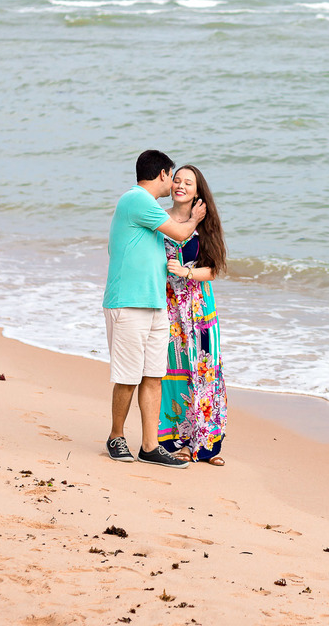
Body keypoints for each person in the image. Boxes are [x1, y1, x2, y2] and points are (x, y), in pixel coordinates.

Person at [103, 150, 206, 468]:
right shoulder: (136, 200)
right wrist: (196, 218)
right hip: (128, 303)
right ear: (161, 174)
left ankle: (149, 445)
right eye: (172, 175)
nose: (173, 181)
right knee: (128, 376)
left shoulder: (147, 208)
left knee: (152, 375)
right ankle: (115, 436)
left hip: (154, 303)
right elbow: (180, 232)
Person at [160, 164, 228, 465]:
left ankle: (208, 446)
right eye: (177, 180)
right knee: (174, 373)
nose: (180, 186)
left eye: (188, 182)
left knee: (206, 372)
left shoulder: (205, 224)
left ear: (198, 191)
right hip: (169, 309)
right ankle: (179, 443)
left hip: (201, 311)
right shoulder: (159, 219)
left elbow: (214, 269)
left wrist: (186, 272)